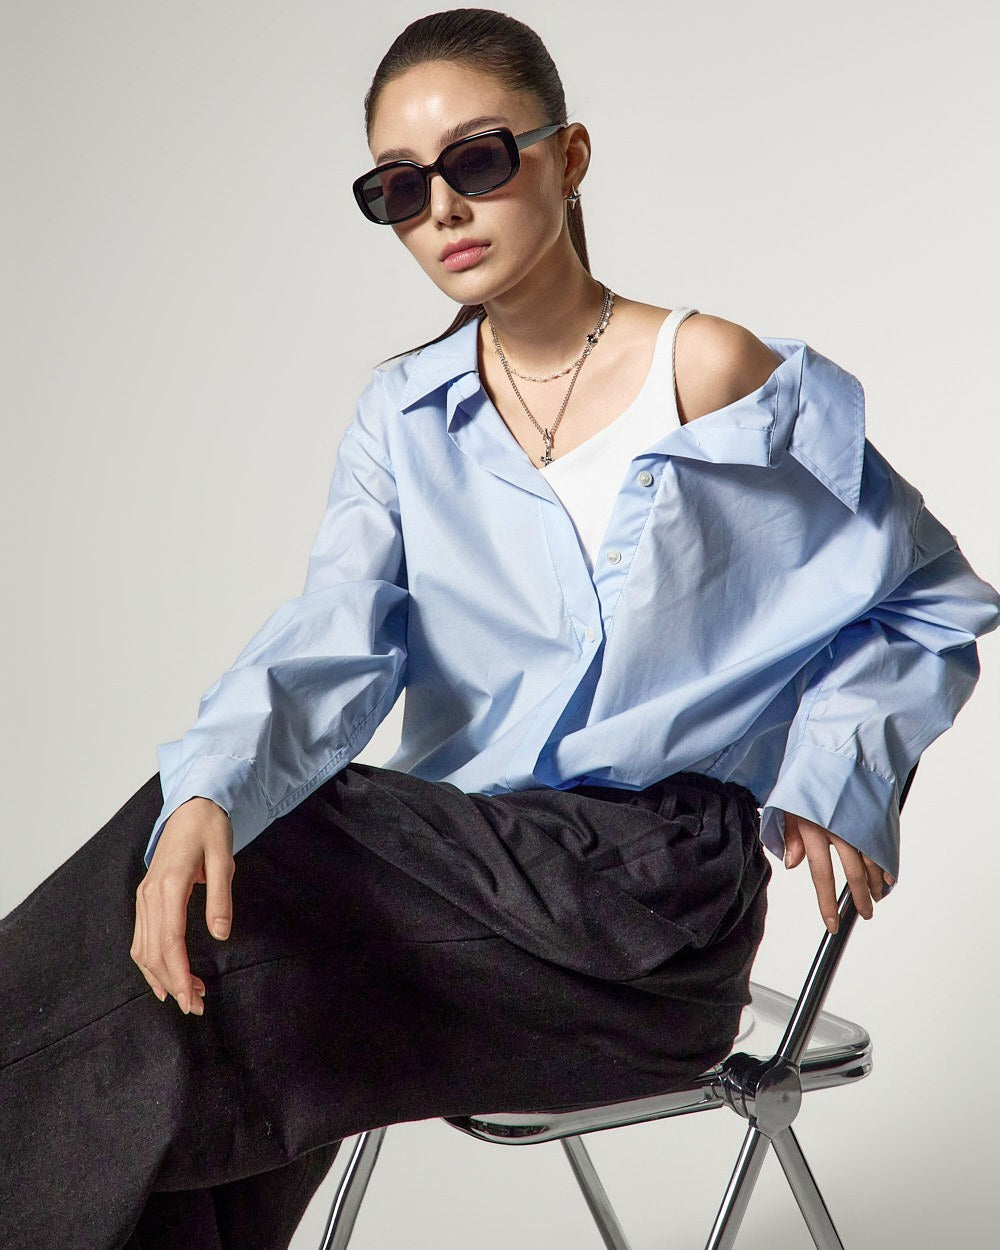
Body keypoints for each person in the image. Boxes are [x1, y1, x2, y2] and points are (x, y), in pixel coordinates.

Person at [2, 7, 998, 1249]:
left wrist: (839, 764)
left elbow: (931, 595)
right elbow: (333, 634)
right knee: (210, 985)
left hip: (651, 911)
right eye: (399, 188)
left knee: (261, 862)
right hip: (470, 900)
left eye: (476, 160)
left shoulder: (711, 371)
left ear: (568, 156)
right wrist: (205, 792)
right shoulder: (404, 419)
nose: (442, 210)